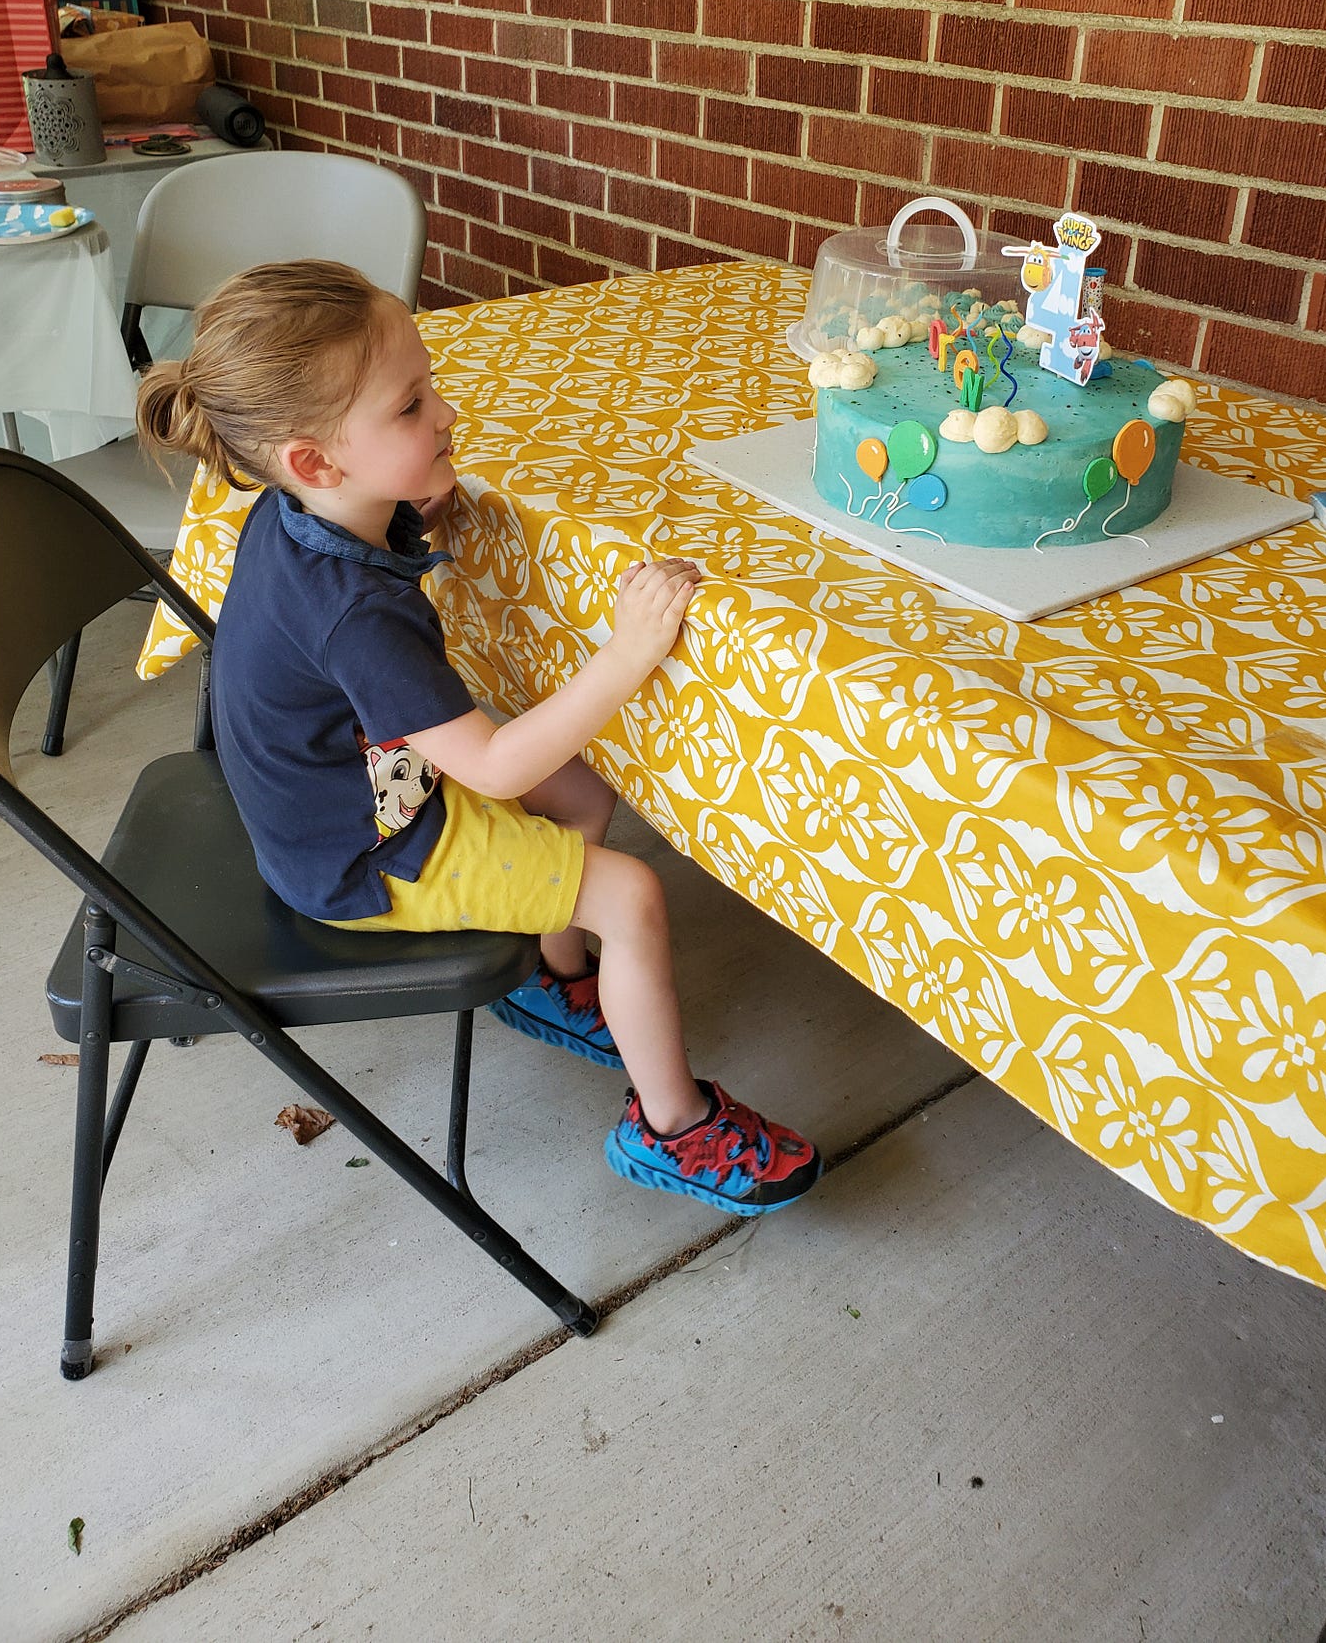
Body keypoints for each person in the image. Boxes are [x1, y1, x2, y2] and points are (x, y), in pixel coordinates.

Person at [137, 260, 822, 1217]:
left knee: (583, 798)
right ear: (315, 461)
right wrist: (626, 655)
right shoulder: (354, 618)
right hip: (360, 850)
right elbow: (496, 764)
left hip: (344, 788)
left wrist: (412, 502)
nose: (448, 413)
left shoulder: (296, 513)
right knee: (631, 895)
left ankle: (551, 973)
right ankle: (672, 1125)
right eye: (412, 405)